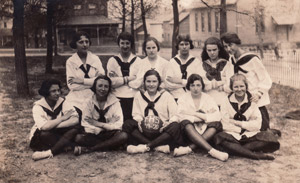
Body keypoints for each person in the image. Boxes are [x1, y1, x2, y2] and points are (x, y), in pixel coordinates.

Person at [214, 74, 280, 160]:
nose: (239, 89)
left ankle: (236, 150)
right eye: (236, 87)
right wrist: (242, 128)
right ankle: (255, 155)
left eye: (242, 86)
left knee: (268, 137)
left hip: (249, 134)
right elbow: (225, 124)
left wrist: (238, 123)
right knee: (219, 137)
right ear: (231, 88)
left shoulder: (252, 100)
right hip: (232, 134)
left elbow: (257, 124)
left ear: (246, 86)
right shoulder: (225, 101)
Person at [221, 32, 272, 131]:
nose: (228, 49)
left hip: (254, 99)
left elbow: (266, 79)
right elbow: (227, 76)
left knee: (262, 131)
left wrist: (258, 94)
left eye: (230, 45)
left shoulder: (252, 59)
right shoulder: (231, 60)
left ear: (237, 43)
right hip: (240, 99)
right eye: (225, 46)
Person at [122, 70, 180, 154]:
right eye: (148, 81)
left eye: (154, 81)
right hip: (144, 130)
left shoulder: (166, 95)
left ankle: (146, 146)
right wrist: (139, 121)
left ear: (159, 83)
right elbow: (136, 113)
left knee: (175, 126)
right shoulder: (139, 95)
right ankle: (156, 146)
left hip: (162, 131)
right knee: (128, 123)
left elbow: (175, 115)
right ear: (144, 82)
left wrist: (167, 123)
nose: (151, 84)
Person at [174, 74, 229, 161]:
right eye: (192, 85)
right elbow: (181, 116)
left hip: (206, 130)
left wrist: (193, 113)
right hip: (189, 133)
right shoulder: (183, 98)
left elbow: (217, 116)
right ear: (188, 86)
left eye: (198, 85)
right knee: (185, 123)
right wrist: (205, 117)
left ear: (202, 86)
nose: (195, 88)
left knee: (216, 124)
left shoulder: (208, 98)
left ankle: (189, 148)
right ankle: (213, 151)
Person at [73, 75, 128, 155]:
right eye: (100, 86)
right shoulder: (88, 102)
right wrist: (107, 125)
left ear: (109, 88)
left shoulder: (115, 102)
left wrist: (98, 124)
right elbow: (85, 123)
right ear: (95, 87)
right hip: (94, 134)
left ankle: (89, 149)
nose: (103, 89)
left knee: (123, 136)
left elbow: (119, 125)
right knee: (78, 138)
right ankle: (112, 145)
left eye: (106, 86)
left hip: (110, 134)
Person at [29, 79, 80, 161]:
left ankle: (50, 152)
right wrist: (63, 118)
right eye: (53, 91)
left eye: (58, 90)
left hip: (59, 132)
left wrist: (53, 126)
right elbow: (44, 127)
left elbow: (75, 119)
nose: (57, 93)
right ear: (46, 92)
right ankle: (66, 145)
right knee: (44, 134)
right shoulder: (38, 106)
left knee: (74, 130)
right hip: (44, 136)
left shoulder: (63, 102)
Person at [65, 31, 105, 114]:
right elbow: (72, 85)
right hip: (76, 97)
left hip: (94, 95)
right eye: (81, 42)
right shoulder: (71, 61)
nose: (84, 45)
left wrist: (82, 81)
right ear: (75, 44)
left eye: (86, 41)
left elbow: (102, 81)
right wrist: (93, 81)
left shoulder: (95, 59)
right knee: (73, 116)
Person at [107, 32, 142, 121]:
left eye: (127, 43)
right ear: (119, 44)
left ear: (131, 44)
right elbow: (111, 82)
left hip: (133, 96)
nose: (125, 46)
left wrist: (119, 80)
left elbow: (138, 83)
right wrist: (129, 78)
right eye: (122, 43)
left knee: (132, 122)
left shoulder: (138, 61)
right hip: (116, 96)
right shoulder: (112, 61)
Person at [165, 34, 203, 101]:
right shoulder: (172, 62)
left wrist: (179, 81)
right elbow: (168, 84)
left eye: (186, 44)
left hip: (192, 97)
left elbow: (199, 83)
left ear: (190, 45)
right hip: (176, 97)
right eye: (181, 44)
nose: (184, 47)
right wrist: (189, 83)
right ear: (178, 46)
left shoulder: (196, 62)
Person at [200, 37, 232, 106]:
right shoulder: (201, 65)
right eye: (209, 50)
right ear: (206, 51)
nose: (212, 53)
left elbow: (230, 86)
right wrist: (221, 83)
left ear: (219, 49)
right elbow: (201, 85)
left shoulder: (227, 65)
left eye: (214, 50)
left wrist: (210, 85)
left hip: (224, 101)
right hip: (207, 102)